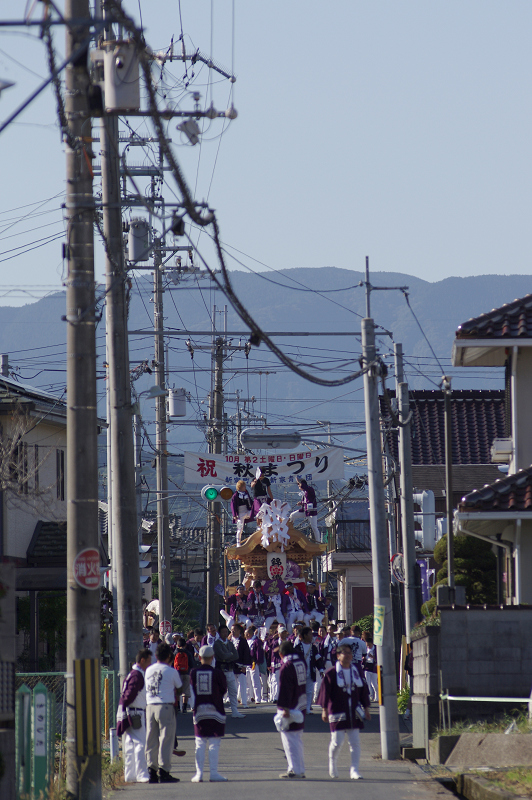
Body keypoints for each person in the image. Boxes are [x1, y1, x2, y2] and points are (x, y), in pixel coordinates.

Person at [318, 643, 371, 780]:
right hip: (337, 710)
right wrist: (324, 709)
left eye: (349, 653)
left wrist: (366, 708)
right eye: (344, 653)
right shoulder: (331, 673)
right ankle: (333, 763)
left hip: (354, 711)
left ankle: (354, 769)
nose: (348, 655)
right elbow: (325, 692)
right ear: (338, 656)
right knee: (337, 741)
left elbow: (363, 690)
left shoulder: (356, 671)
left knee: (355, 742)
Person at [145, 642, 183, 783]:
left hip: (150, 706)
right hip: (165, 706)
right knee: (166, 739)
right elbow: (179, 687)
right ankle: (164, 770)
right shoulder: (171, 671)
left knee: (151, 738)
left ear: (155, 655)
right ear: (169, 656)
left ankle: (151, 770)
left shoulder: (148, 670)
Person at [190, 645, 228, 782]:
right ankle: (214, 773)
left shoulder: (193, 672)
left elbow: (191, 691)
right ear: (213, 658)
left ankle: (199, 774)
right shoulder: (218, 673)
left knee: (199, 743)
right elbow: (224, 689)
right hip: (216, 710)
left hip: (199, 711)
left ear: (199, 657)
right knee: (214, 743)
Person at [116, 648, 152, 783]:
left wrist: (124, 706)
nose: (150, 663)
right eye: (148, 661)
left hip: (129, 712)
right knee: (140, 743)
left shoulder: (132, 674)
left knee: (130, 744)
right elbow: (130, 694)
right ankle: (141, 773)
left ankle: (130, 774)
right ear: (142, 660)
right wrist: (126, 703)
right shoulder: (138, 675)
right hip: (136, 712)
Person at [276, 640, 307, 779]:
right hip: (301, 704)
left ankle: (294, 769)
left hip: (291, 706)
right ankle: (299, 768)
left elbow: (285, 688)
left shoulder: (287, 666)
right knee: (297, 739)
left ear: (281, 654)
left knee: (289, 739)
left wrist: (284, 707)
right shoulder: (301, 662)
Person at [213, 624, 246, 719]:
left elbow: (236, 655)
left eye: (226, 632)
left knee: (233, 690)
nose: (225, 633)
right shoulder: (217, 644)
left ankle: (234, 711)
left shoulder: (230, 643)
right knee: (220, 691)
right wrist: (229, 655)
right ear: (219, 633)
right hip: (220, 670)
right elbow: (222, 655)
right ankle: (218, 710)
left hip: (230, 669)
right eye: (223, 632)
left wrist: (228, 655)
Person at [295, 626, 324, 713]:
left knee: (309, 691)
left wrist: (321, 670)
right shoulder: (297, 647)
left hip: (310, 671)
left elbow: (318, 659)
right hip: (300, 673)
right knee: (300, 691)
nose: (312, 636)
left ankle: (307, 708)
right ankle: (300, 707)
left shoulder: (314, 648)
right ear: (305, 635)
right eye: (310, 634)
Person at [229, 622, 252, 707]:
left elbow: (246, 654)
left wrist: (245, 666)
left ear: (239, 631)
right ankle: (233, 702)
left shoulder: (243, 641)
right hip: (231, 665)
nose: (233, 632)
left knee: (242, 684)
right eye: (231, 630)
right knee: (232, 685)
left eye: (234, 630)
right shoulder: (229, 641)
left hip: (241, 665)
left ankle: (244, 702)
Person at [245, 625, 264, 703]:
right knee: (247, 681)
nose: (245, 636)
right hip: (247, 664)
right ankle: (249, 697)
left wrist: (257, 661)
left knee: (255, 681)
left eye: (246, 634)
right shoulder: (247, 641)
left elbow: (259, 652)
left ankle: (258, 698)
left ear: (249, 634)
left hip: (253, 663)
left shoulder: (256, 641)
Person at [174, 637, 194, 712]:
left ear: (177, 645)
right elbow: (192, 664)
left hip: (177, 673)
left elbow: (172, 663)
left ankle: (178, 706)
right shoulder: (188, 653)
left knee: (177, 691)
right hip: (186, 673)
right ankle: (184, 708)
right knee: (185, 691)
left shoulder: (175, 652)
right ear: (185, 645)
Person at [231, 480, 254, 545]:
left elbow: (250, 502)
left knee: (258, 515)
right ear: (240, 487)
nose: (245, 487)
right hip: (240, 514)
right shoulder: (235, 495)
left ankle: (260, 529)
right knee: (240, 529)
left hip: (247, 511)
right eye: (244, 486)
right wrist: (234, 515)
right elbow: (233, 505)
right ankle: (238, 543)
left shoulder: (246, 493)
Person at [362, 635, 378, 702]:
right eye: (367, 645)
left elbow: (379, 659)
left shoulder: (376, 649)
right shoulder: (365, 649)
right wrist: (364, 658)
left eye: (369, 645)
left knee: (374, 683)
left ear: (372, 643)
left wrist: (373, 657)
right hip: (367, 667)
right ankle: (370, 695)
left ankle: (377, 696)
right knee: (367, 682)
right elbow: (362, 657)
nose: (368, 646)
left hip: (374, 667)